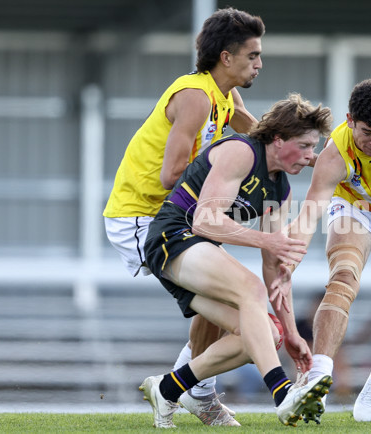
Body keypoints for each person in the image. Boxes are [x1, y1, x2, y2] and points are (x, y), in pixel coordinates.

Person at [102, 7, 264, 426]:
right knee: (231, 303)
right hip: (140, 217)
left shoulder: (227, 97)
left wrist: (323, 160)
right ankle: (192, 389)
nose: (259, 64)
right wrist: (224, 198)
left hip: (176, 214)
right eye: (253, 56)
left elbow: (264, 137)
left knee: (223, 295)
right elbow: (171, 174)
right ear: (226, 57)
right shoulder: (194, 97)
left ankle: (190, 390)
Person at [139, 94, 334, 428]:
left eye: (313, 148)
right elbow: (204, 220)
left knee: (262, 337)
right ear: (278, 139)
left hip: (201, 253)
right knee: (251, 290)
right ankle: (283, 395)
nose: (310, 156)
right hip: (173, 237)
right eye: (304, 145)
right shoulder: (241, 151)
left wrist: (290, 334)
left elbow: (273, 267)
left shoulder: (280, 191)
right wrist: (267, 238)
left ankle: (168, 388)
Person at [277, 78, 371, 422]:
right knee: (343, 278)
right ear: (350, 120)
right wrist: (289, 256)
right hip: (354, 208)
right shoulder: (334, 152)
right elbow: (310, 212)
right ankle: (318, 375)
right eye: (366, 132)